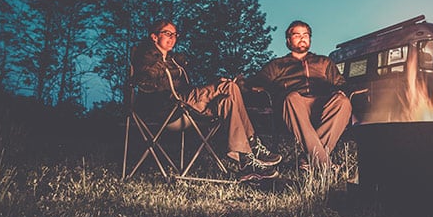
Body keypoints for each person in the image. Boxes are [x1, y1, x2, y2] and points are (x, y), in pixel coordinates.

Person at [131, 19, 282, 181]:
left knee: (228, 99)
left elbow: (188, 87)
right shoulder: (145, 56)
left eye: (175, 34)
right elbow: (146, 81)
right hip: (168, 106)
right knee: (228, 86)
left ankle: (246, 161)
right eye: (167, 33)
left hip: (187, 106)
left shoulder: (176, 60)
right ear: (154, 37)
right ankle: (253, 145)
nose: (172, 38)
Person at [247, 20, 352, 171]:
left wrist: (341, 91)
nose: (302, 38)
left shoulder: (324, 62)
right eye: (297, 35)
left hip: (321, 105)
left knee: (342, 101)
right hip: (293, 108)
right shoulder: (277, 64)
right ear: (288, 40)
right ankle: (324, 165)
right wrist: (244, 84)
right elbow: (258, 82)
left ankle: (308, 159)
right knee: (292, 98)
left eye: (306, 35)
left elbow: (341, 84)